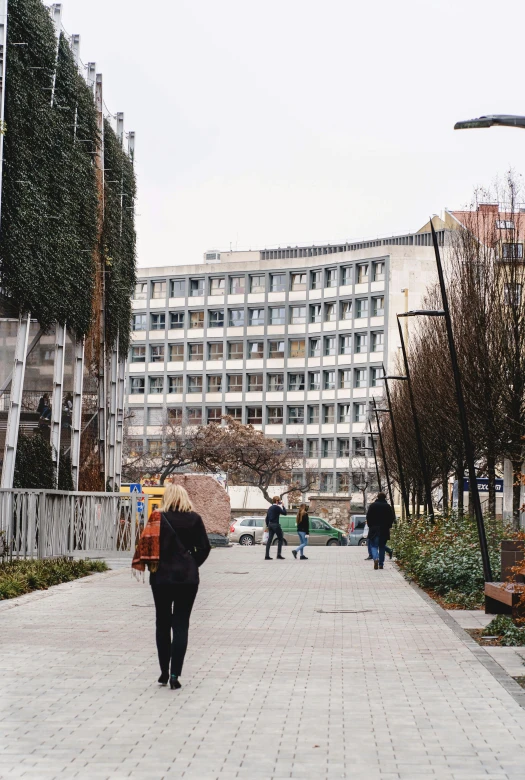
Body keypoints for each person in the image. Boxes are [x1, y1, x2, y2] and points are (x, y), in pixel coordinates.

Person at [132, 484, 211, 689]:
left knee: (162, 623)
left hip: (161, 578)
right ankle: (176, 674)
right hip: (188, 579)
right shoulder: (194, 519)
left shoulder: (157, 518)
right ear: (185, 497)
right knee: (181, 624)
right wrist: (192, 563)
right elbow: (205, 548)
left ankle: (164, 672)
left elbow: (146, 545)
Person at [366, 492, 395, 570]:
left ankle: (375, 558)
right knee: (382, 547)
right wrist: (388, 526)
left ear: (377, 497)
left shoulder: (372, 506)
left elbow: (368, 517)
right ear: (385, 497)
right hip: (384, 529)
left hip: (374, 529)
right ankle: (381, 564)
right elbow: (391, 518)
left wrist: (370, 526)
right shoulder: (387, 506)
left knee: (373, 546)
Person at [265, 496, 287, 560]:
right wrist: (283, 506)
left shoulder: (270, 508)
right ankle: (278, 555)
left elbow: (267, 518)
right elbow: (285, 513)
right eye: (279, 501)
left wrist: (267, 525)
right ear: (277, 501)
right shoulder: (277, 508)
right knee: (280, 539)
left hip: (270, 524)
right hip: (275, 524)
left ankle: (267, 555)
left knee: (269, 540)